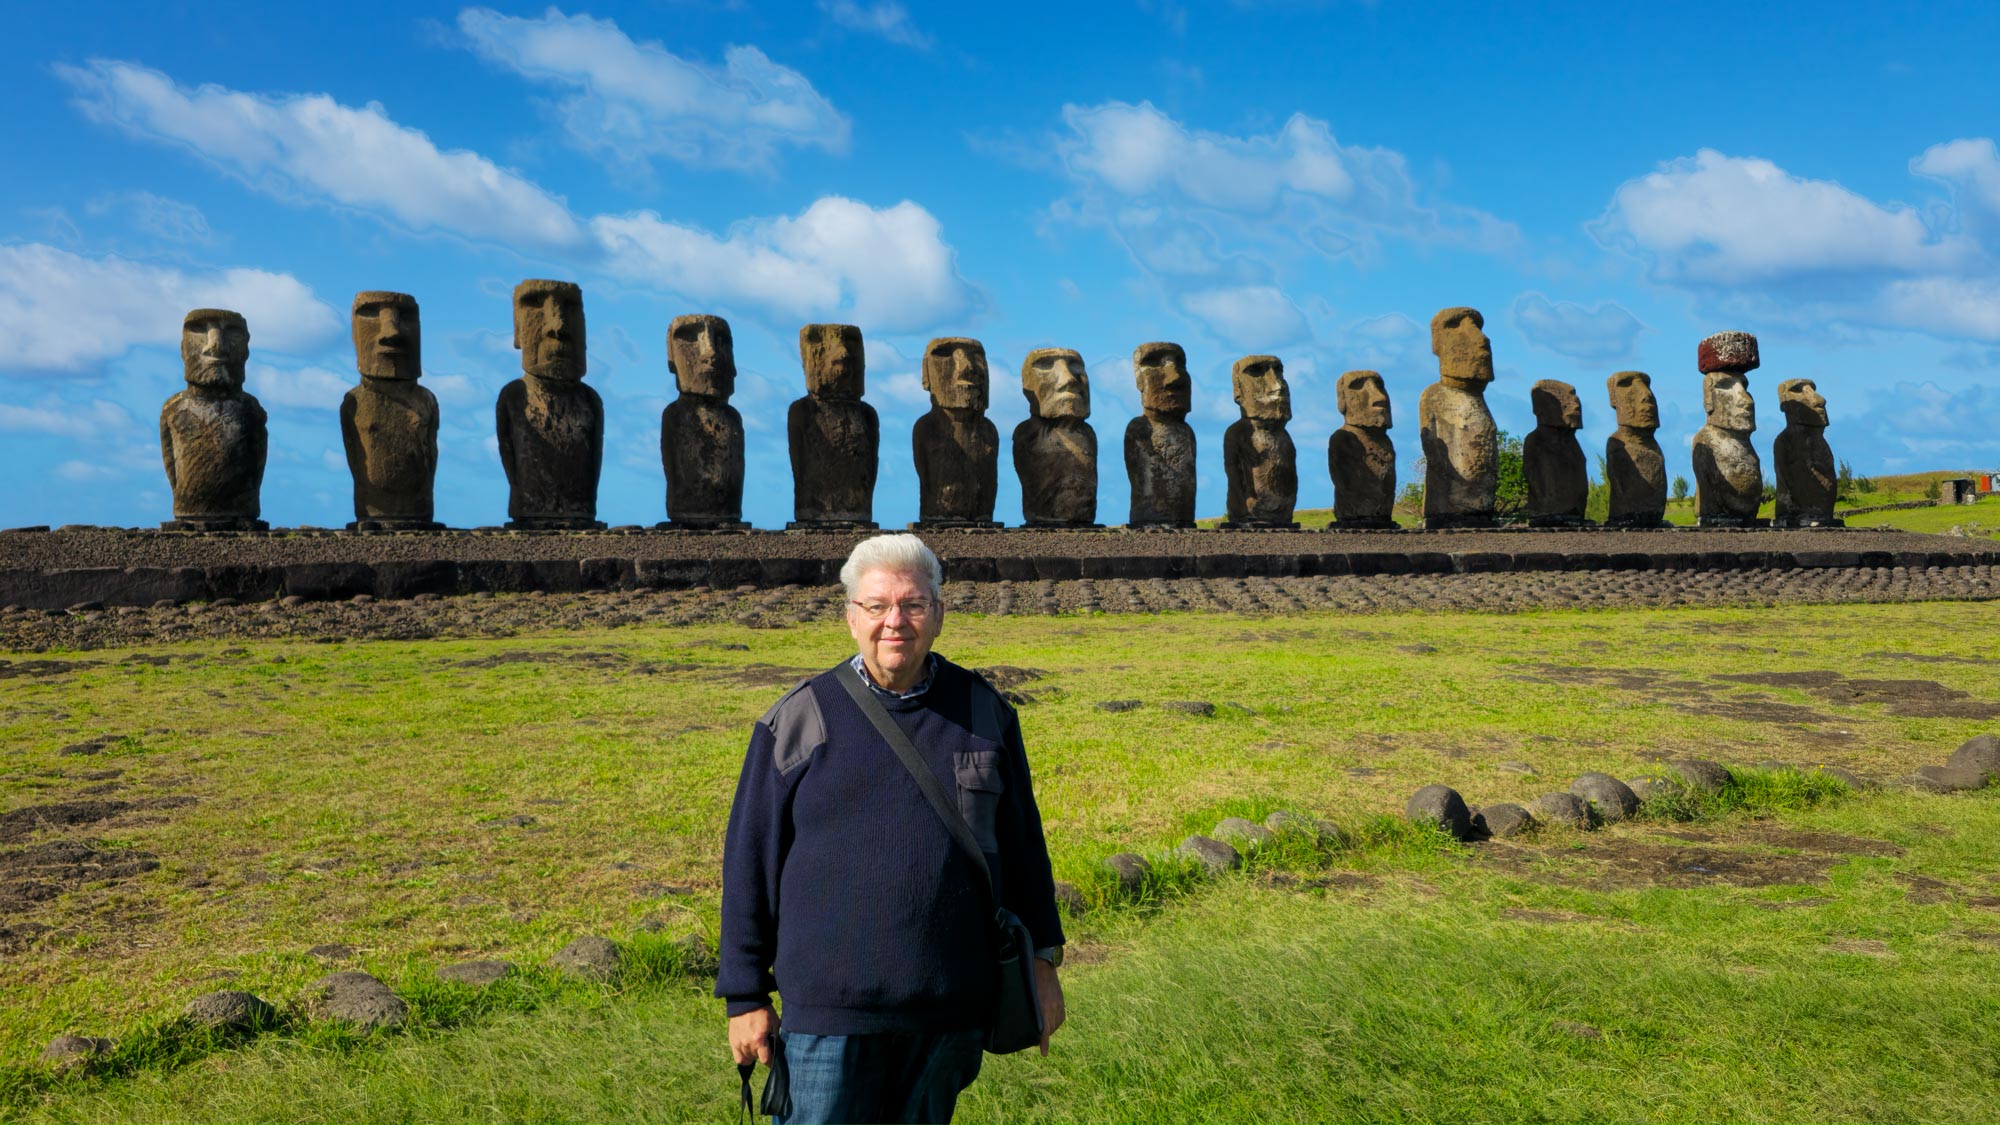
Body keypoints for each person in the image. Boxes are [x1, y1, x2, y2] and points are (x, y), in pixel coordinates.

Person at [718, 533, 1067, 1124]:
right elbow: (750, 860)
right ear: (850, 618)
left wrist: (1044, 965)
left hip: (949, 1011)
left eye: (912, 604)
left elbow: (1023, 850)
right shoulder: (801, 716)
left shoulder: (985, 713)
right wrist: (746, 996)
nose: (895, 622)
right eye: (877, 606)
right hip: (829, 1018)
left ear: (939, 614)